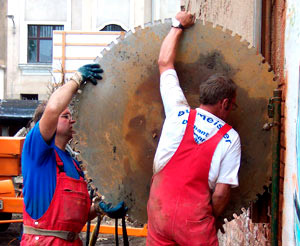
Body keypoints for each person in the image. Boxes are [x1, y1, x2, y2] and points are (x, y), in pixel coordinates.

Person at [146, 11, 241, 246]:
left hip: (159, 212)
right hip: (194, 224)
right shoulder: (229, 137)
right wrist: (211, 220)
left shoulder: (178, 112)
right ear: (225, 103)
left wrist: (178, 25)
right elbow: (220, 193)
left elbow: (164, 63)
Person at [21, 64, 127, 246]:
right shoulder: (37, 151)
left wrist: (100, 208)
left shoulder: (73, 164)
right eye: (65, 116)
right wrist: (77, 79)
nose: (72, 120)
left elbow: (78, 214)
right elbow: (53, 108)